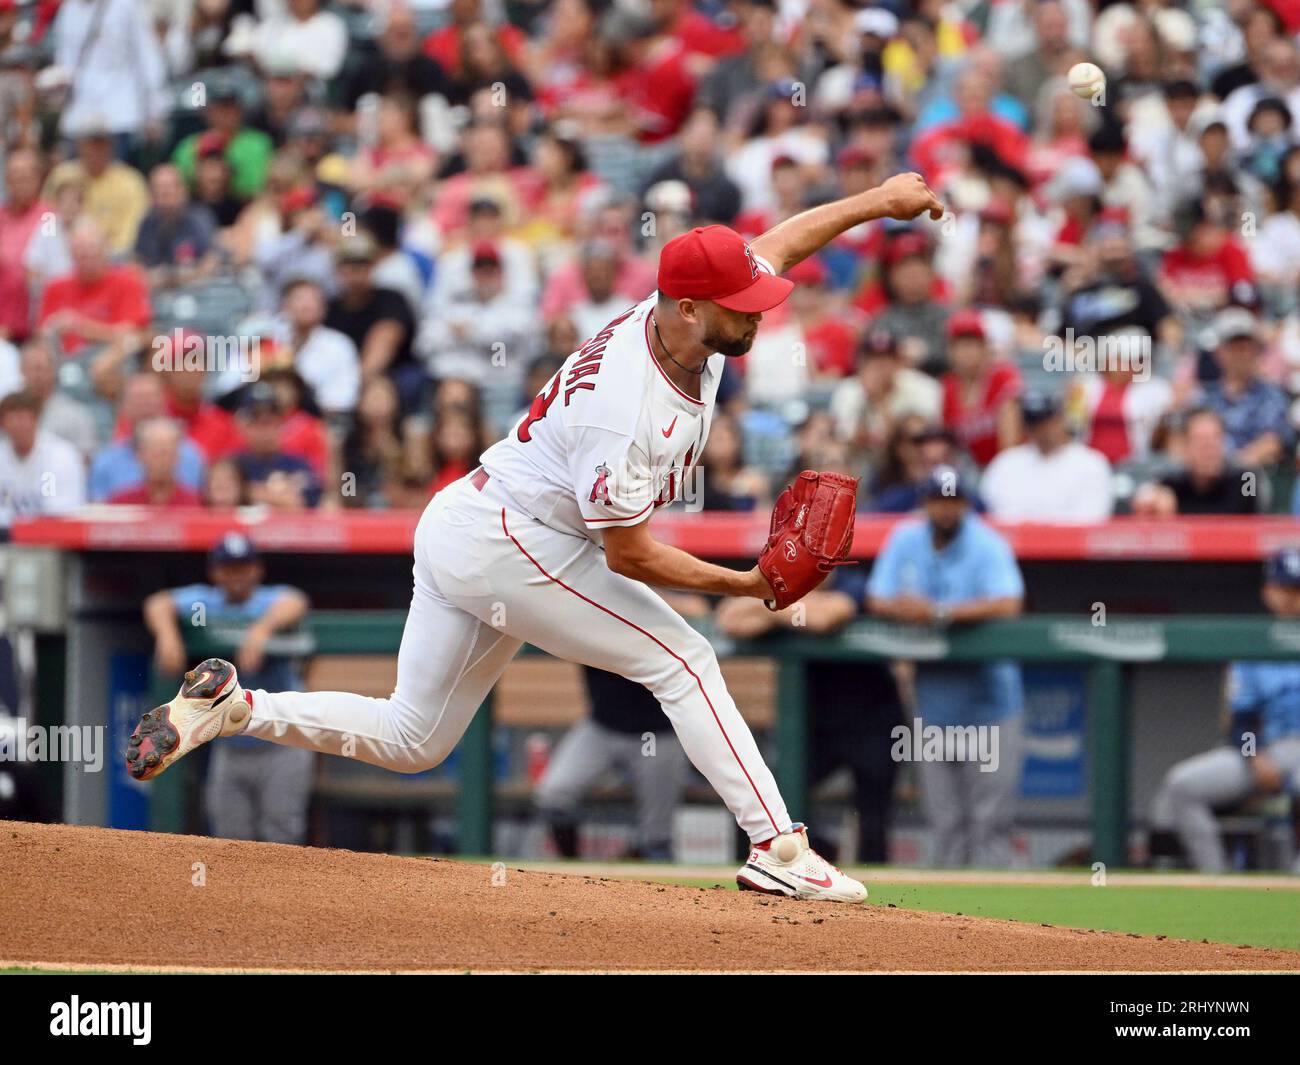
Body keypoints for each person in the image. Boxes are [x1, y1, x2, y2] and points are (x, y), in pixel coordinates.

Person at [125, 171, 945, 905]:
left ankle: (236, 708)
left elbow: (772, 247)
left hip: (476, 522)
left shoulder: (681, 317)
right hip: (511, 537)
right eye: (744, 305)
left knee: (415, 737)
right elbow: (628, 555)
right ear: (691, 307)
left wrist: (878, 202)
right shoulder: (624, 410)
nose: (760, 312)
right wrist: (746, 584)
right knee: (683, 657)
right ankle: (780, 846)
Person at [867, 465, 1026, 867]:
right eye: (938, 500)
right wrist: (905, 610)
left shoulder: (987, 543)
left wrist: (938, 613)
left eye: (953, 501)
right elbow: (876, 598)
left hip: (990, 707)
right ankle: (952, 929)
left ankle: (1003, 926)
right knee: (946, 827)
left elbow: (1009, 603)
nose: (945, 510)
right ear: (924, 502)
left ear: (967, 504)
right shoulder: (906, 538)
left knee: (990, 826)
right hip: (933, 708)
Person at [715, 567, 906, 863]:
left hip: (873, 720)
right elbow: (729, 618)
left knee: (873, 818)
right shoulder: (785, 586)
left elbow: (824, 618)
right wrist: (788, 607)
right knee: (769, 794)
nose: (816, 567)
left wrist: (770, 609)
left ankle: (878, 896)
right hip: (814, 727)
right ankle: (764, 866)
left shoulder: (852, 582)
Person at [143, 533, 314, 844]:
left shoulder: (270, 600)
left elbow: (297, 601)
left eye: (244, 566)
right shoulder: (206, 602)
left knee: (282, 839)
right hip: (231, 744)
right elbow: (158, 603)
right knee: (230, 842)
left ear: (257, 569)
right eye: (229, 567)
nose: (237, 574)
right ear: (215, 572)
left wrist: (262, 629)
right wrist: (168, 635)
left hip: (281, 743)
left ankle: (280, 896)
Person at [1149, 548, 1300, 874]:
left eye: (1297, 590)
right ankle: (1217, 881)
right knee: (1182, 785)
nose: (1291, 599)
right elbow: (1239, 718)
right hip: (1267, 750)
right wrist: (1254, 754)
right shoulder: (1252, 643)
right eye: (1284, 589)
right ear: (1268, 592)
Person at [535, 665, 691, 861]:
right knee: (555, 793)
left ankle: (655, 869)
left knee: (657, 835)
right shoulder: (591, 633)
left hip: (653, 733)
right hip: (602, 728)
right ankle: (571, 868)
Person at [980, 389, 1114, 522]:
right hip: (1012, 543)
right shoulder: (1007, 463)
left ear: (1062, 420)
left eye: (1048, 422)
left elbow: (1091, 520)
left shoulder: (1091, 464)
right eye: (1034, 424)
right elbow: (991, 514)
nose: (1042, 430)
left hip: (1068, 542)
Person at [0, 389, 86, 530]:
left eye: (22, 418)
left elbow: (62, 509)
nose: (17, 425)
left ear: (36, 419)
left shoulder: (59, 454)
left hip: (51, 540)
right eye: (11, 418)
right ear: (2, 423)